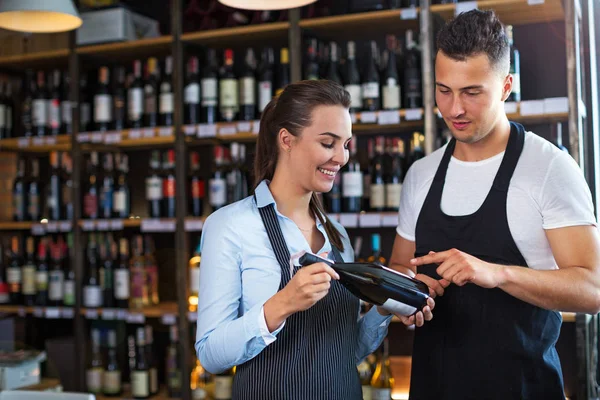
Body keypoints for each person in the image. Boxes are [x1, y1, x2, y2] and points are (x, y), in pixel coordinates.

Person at [388, 9, 600, 400]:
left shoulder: (548, 167)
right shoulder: (421, 174)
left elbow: (592, 287)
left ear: (506, 86)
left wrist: (498, 274)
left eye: (472, 92)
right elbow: (401, 266)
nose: (454, 109)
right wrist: (407, 293)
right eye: (443, 90)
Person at [195, 80, 432, 399]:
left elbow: (347, 354)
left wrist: (385, 307)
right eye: (328, 143)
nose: (342, 157)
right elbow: (210, 354)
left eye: (346, 144)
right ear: (286, 140)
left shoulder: (337, 236)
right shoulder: (231, 225)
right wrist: (282, 304)